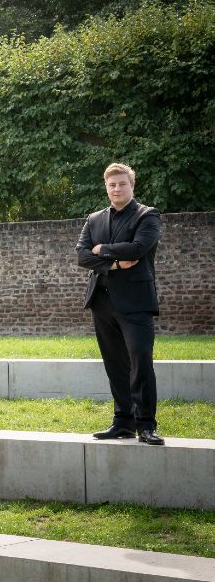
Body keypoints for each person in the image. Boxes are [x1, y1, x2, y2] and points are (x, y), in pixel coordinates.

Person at [76, 162, 164, 445]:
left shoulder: (147, 215)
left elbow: (139, 248)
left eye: (122, 184)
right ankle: (123, 422)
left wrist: (101, 249)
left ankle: (146, 425)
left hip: (136, 302)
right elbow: (81, 256)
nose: (117, 188)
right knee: (115, 364)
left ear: (132, 185)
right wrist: (113, 263)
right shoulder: (94, 219)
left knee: (140, 361)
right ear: (106, 186)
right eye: (112, 184)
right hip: (102, 301)